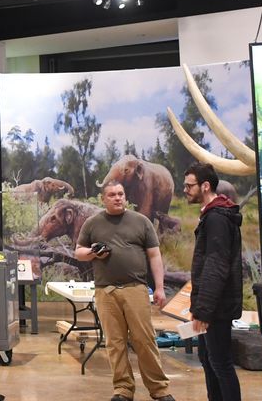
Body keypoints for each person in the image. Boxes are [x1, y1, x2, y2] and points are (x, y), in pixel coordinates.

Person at [76, 181, 174, 401]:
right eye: (112, 194)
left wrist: (159, 287)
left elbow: (154, 255)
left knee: (145, 340)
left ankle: (159, 390)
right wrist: (93, 252)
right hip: (105, 292)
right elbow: (79, 252)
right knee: (115, 343)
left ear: (125, 196)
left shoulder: (141, 222)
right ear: (104, 199)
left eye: (121, 193)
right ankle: (122, 389)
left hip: (135, 289)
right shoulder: (93, 223)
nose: (117, 197)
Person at [183, 162, 243, 401]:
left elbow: (215, 267)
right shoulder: (211, 215)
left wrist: (204, 310)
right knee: (208, 360)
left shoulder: (217, 218)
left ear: (205, 186)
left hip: (216, 308)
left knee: (220, 363)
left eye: (190, 186)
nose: (185, 190)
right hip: (211, 307)